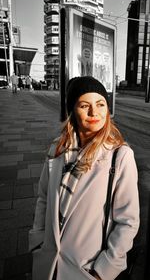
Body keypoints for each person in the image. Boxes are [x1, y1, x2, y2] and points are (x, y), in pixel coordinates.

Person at [29, 76, 140, 280]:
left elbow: (127, 221)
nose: (94, 112)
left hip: (85, 270)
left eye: (100, 104)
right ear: (73, 110)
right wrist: (37, 241)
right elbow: (43, 198)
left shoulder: (120, 155)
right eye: (84, 105)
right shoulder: (57, 149)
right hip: (48, 264)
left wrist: (103, 270)